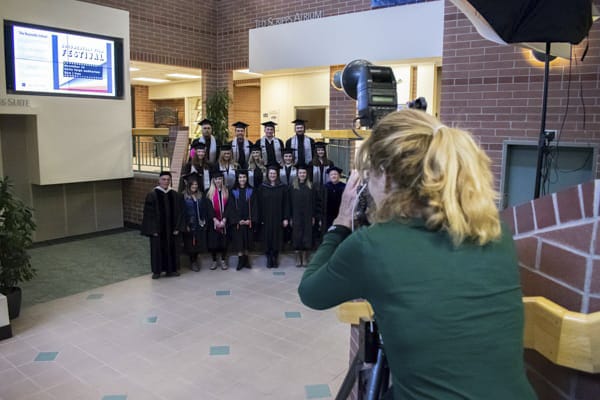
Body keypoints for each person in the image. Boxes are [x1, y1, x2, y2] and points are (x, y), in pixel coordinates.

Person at [298, 109, 536, 400]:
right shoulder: (495, 230)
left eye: (369, 175)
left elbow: (311, 292)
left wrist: (342, 221)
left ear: (385, 178)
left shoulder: (373, 246)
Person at [141, 171, 186, 279]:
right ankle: (157, 271)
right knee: (157, 250)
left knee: (173, 249)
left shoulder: (175, 195)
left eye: (168, 180)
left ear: (170, 181)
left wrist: (177, 228)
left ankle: (172, 270)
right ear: (159, 180)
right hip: (158, 231)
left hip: (172, 230)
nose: (166, 182)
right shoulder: (152, 195)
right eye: (163, 179)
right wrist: (153, 230)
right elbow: (148, 214)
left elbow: (181, 213)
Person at [258, 164, 289, 268]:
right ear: (267, 174)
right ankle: (268, 257)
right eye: (270, 173)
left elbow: (286, 203)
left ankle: (275, 256)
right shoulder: (262, 187)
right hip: (266, 217)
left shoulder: (283, 187)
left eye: (274, 173)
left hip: (278, 216)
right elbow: (259, 204)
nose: (272, 175)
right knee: (267, 236)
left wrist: (285, 218)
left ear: (277, 174)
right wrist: (260, 218)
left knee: (277, 236)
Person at [289, 164, 319, 267]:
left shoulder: (311, 186)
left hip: (308, 215)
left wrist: (313, 216)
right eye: (300, 173)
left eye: (304, 173)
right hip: (296, 215)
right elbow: (289, 203)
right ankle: (298, 257)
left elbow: (314, 202)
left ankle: (305, 256)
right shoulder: (293, 187)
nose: (302, 174)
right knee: (297, 234)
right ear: (297, 174)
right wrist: (290, 217)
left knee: (307, 234)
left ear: (307, 174)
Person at [229, 169, 258, 270]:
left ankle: (246, 260)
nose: (242, 179)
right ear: (237, 178)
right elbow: (231, 207)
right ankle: (240, 261)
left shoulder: (251, 190)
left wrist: (250, 219)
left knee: (247, 241)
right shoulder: (233, 191)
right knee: (239, 241)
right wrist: (237, 220)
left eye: (244, 177)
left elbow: (255, 206)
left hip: (248, 222)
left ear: (247, 178)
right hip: (238, 222)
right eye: (240, 177)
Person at [181, 173, 209, 271]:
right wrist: (185, 224)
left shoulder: (200, 195)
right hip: (190, 224)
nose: (194, 186)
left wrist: (204, 220)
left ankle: (196, 258)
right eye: (192, 184)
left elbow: (204, 208)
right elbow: (182, 212)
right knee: (190, 244)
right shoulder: (183, 196)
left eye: (196, 185)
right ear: (188, 185)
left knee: (198, 243)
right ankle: (192, 261)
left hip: (199, 223)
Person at [206, 170, 230, 270]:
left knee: (224, 242)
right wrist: (215, 220)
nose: (218, 181)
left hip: (225, 222)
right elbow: (208, 207)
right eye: (216, 179)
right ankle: (214, 261)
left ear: (222, 179)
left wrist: (224, 220)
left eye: (220, 179)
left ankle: (223, 260)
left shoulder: (227, 191)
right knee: (213, 243)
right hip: (213, 222)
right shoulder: (209, 192)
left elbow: (229, 206)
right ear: (213, 180)